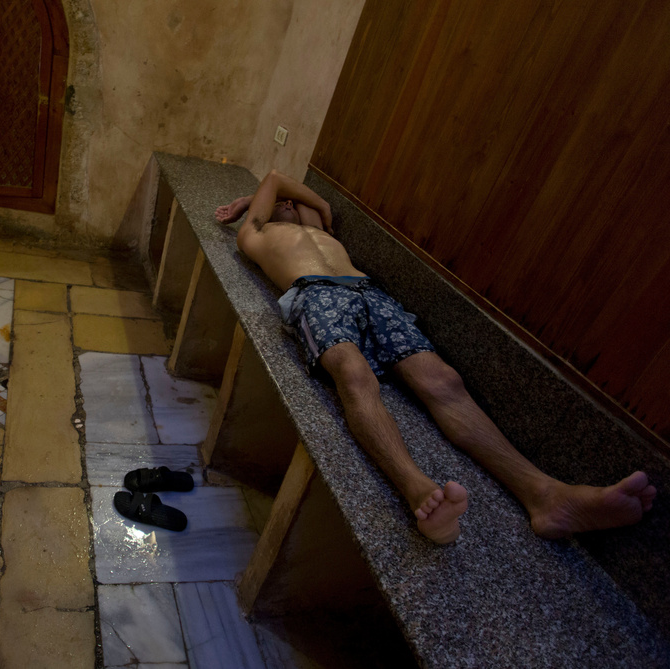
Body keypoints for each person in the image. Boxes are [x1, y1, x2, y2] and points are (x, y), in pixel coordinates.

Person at [216, 170, 656, 544]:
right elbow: (275, 178)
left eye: (293, 203)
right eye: (279, 204)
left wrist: (312, 208)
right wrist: (247, 202)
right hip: (316, 295)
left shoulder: (313, 225)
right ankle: (415, 488)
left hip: (370, 292)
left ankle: (545, 495)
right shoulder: (256, 233)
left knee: (443, 381)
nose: (288, 204)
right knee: (353, 374)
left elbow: (305, 198)